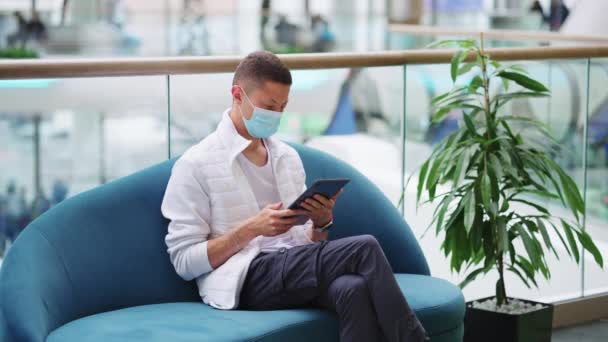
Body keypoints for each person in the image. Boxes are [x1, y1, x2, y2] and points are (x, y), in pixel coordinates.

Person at [162, 51, 428, 341]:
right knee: (363, 248)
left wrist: (321, 223)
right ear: (238, 94)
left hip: (290, 271)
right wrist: (251, 229)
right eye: (268, 105)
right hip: (244, 279)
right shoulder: (195, 165)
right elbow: (184, 262)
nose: (276, 114)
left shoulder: (287, 157)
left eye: (282, 107)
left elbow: (307, 247)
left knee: (353, 289)